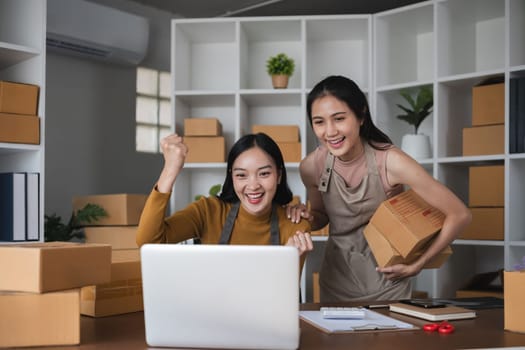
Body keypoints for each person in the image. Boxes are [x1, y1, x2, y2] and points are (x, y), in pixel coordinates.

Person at [289, 75, 471, 302]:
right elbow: (321, 216)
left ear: (361, 115)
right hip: (334, 283)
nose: (330, 131)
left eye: (339, 118)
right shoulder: (311, 167)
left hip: (387, 285)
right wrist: (305, 215)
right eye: (319, 122)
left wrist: (418, 264)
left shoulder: (391, 162)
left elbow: (460, 214)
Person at [136, 132, 314, 269]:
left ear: (279, 175)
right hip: (213, 314)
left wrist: (287, 261)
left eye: (264, 173)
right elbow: (148, 241)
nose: (253, 186)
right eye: (241, 175)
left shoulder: (295, 226)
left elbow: (281, 299)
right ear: (232, 177)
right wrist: (170, 170)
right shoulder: (208, 211)